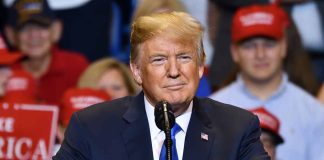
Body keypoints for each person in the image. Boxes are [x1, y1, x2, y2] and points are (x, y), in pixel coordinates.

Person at [53, 11, 269, 160]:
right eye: (159, 60)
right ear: (137, 71)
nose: (174, 71)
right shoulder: (92, 127)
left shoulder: (237, 128)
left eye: (184, 57)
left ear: (201, 66)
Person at [210, 4, 324, 160]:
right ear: (234, 52)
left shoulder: (313, 112)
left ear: (284, 47)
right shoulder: (211, 112)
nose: (260, 54)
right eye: (249, 46)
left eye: (269, 44)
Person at [4, 0, 89, 105]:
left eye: (42, 26)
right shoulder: (3, 70)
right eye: (24, 28)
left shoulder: (77, 67)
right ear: (11, 35)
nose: (34, 35)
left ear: (56, 30)